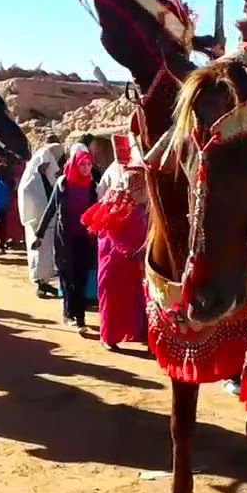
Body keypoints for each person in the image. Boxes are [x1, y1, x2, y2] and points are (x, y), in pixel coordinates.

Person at [83, 134, 150, 351]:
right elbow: (111, 233)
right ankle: (109, 336)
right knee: (113, 295)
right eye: (136, 181)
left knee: (137, 297)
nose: (139, 186)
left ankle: (137, 333)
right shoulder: (115, 204)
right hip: (115, 260)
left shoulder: (142, 206)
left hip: (134, 263)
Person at [32, 145, 99, 332]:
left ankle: (80, 317)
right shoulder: (63, 184)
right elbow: (50, 209)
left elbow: (96, 211)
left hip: (84, 239)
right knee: (67, 276)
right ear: (75, 164)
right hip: (65, 239)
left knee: (81, 277)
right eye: (82, 164)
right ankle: (68, 313)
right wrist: (39, 234)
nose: (86, 168)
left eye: (88, 164)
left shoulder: (92, 186)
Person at [20, 136, 66, 298]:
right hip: (38, 222)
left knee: (47, 252)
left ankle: (45, 282)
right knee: (40, 251)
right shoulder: (33, 182)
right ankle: (41, 283)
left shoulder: (43, 179)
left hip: (47, 222)